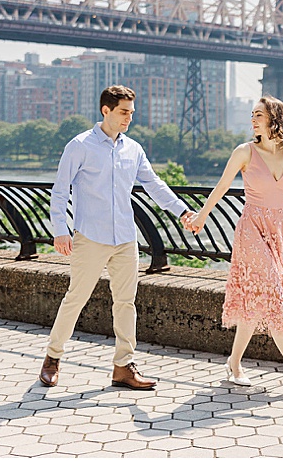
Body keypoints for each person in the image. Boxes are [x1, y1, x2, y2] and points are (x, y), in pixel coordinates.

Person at [37, 84, 204, 391]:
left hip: (126, 238)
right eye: (124, 112)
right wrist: (60, 230)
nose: (129, 118)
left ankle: (123, 367)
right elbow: (60, 191)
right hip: (90, 237)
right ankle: (53, 357)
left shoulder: (133, 149)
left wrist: (183, 212)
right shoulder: (80, 146)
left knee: (126, 303)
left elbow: (154, 184)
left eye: (131, 112)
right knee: (76, 299)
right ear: (106, 111)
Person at [186, 96, 283, 394]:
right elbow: (222, 186)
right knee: (275, 293)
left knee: (256, 300)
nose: (253, 120)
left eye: (259, 115)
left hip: (277, 230)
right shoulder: (244, 152)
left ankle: (234, 363)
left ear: (275, 118)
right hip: (251, 229)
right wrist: (201, 217)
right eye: (252, 115)